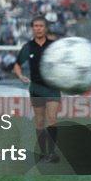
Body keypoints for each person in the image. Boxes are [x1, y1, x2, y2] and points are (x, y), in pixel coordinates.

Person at [14, 15, 62, 163]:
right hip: (36, 88)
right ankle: (43, 152)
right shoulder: (28, 47)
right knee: (40, 121)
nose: (39, 28)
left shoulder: (53, 46)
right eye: (36, 26)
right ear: (32, 28)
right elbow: (17, 64)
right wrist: (20, 76)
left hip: (52, 87)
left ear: (45, 28)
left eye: (41, 26)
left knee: (52, 120)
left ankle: (52, 153)